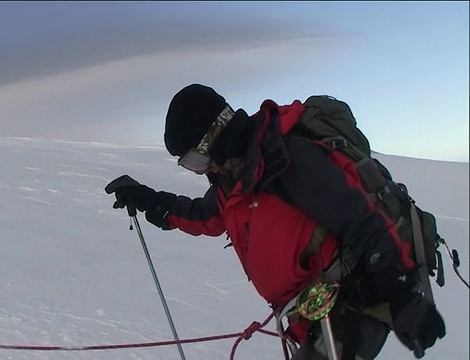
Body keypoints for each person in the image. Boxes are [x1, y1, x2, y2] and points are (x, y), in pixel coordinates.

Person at [105, 84, 446, 360]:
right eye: (191, 164)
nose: (202, 169)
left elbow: (361, 221)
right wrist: (150, 200)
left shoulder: (287, 159)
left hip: (351, 305)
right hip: (308, 319)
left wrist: (403, 297)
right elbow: (205, 216)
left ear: (216, 135)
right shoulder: (234, 179)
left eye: (196, 158)